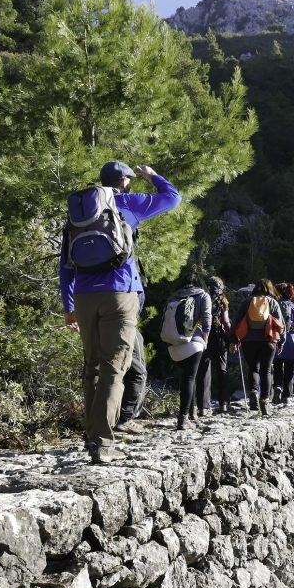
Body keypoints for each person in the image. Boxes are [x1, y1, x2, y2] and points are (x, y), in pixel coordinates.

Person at [60, 162, 181, 464]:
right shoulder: (128, 202)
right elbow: (173, 197)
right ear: (124, 181)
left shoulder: (80, 214)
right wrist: (152, 176)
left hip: (85, 297)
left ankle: (92, 435)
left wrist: (68, 305)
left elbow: (65, 265)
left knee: (92, 366)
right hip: (120, 294)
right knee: (115, 367)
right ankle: (102, 442)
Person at [230, 279, 284, 417]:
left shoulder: (246, 302)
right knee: (266, 370)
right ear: (269, 289)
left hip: (248, 341)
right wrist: (281, 341)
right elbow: (281, 324)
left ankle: (253, 391)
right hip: (268, 340)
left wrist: (233, 340)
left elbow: (236, 321)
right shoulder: (272, 302)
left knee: (253, 368)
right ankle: (264, 400)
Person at [165, 274, 212, 430]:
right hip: (193, 343)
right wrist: (205, 338)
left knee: (186, 379)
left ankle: (192, 415)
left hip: (173, 345)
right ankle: (183, 419)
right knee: (190, 379)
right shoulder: (203, 295)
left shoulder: (173, 296)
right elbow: (207, 318)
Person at [196, 275, 232, 416]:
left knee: (204, 370)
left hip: (204, 336)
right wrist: (233, 336)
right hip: (219, 336)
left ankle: (203, 407)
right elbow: (226, 320)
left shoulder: (201, 296)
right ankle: (224, 404)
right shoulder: (222, 299)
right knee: (222, 369)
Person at [272, 282, 294, 406]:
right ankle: (286, 395)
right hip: (290, 338)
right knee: (290, 368)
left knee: (277, 366)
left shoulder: (273, 304)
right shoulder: (292, 306)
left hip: (276, 338)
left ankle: (277, 386)